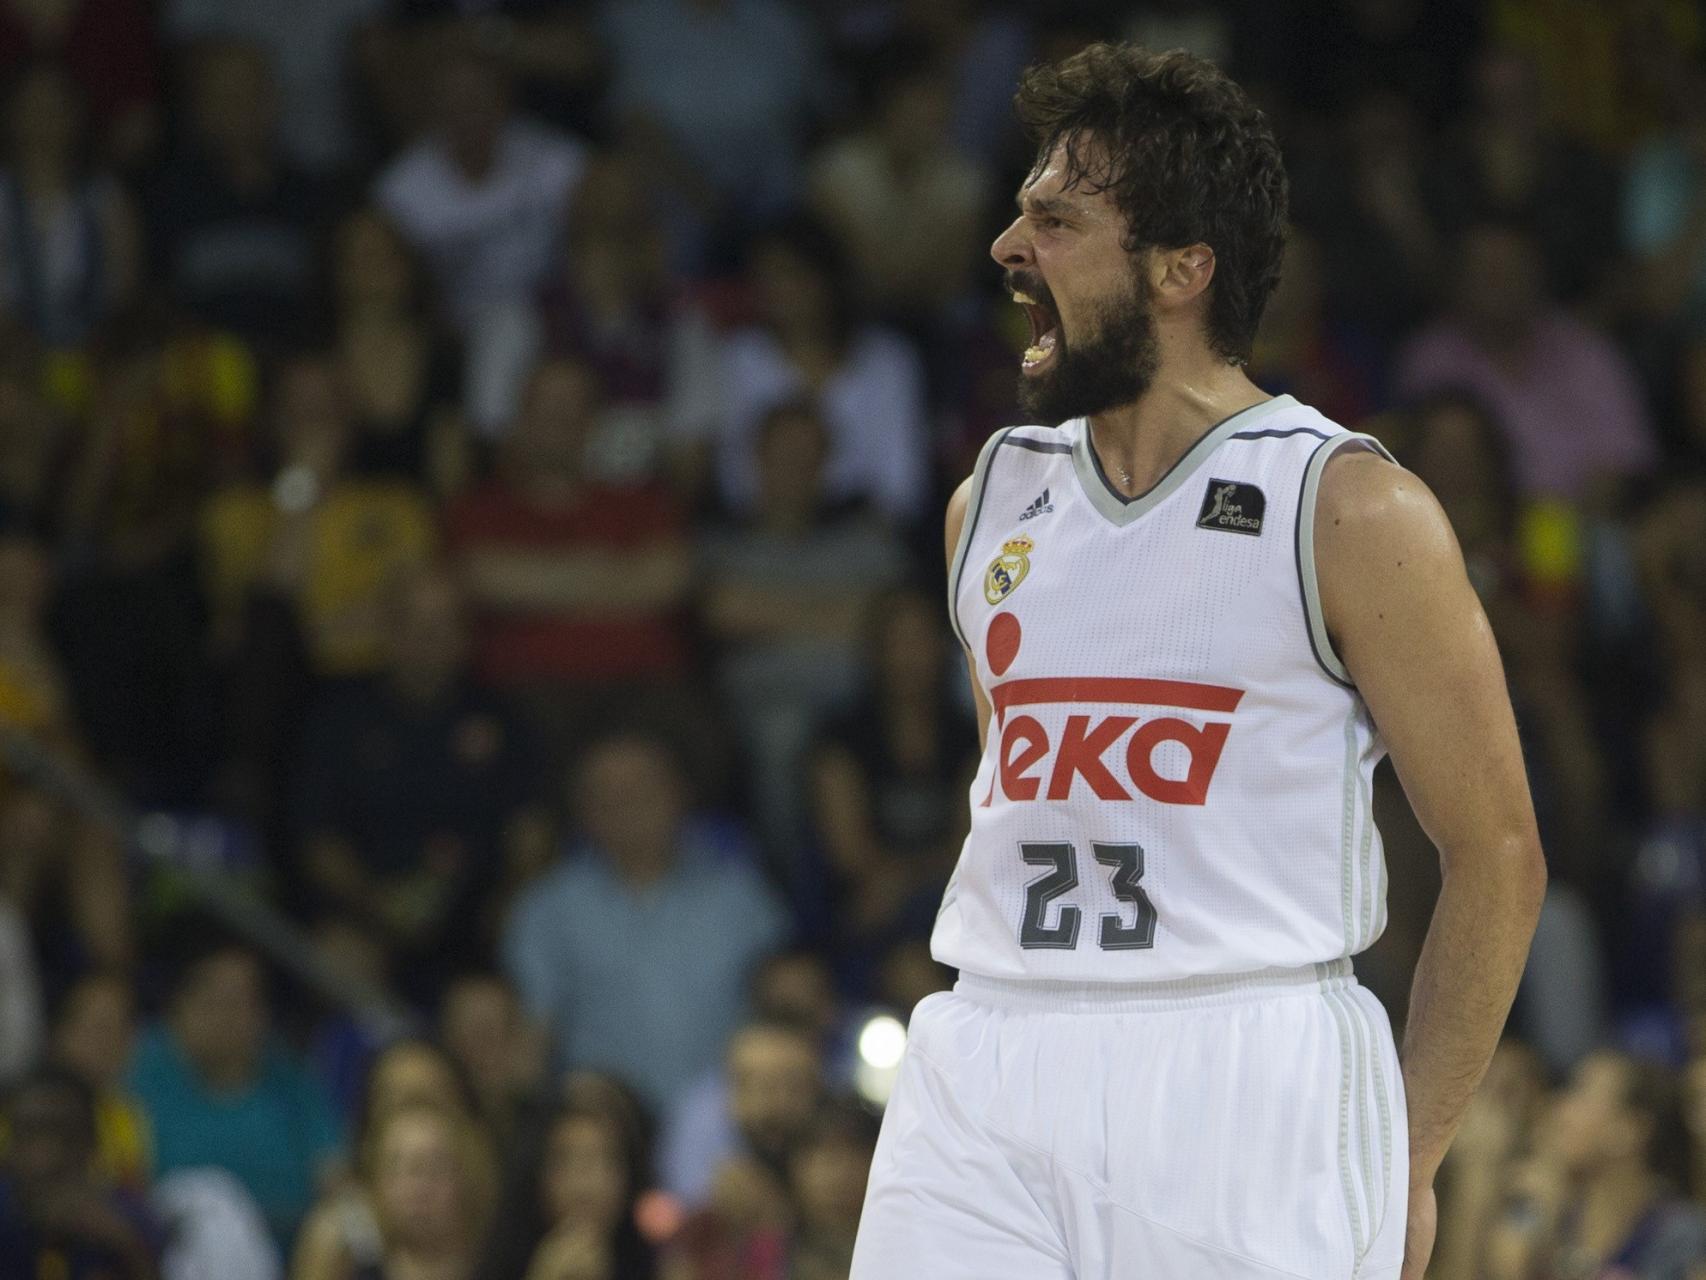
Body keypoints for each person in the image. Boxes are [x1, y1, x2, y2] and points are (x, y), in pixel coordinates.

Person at [849, 43, 1548, 1280]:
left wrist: (1410, 1149)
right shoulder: (989, 502)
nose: (1007, 247)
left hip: (1245, 1059)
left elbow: (1495, 852)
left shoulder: (1345, 506)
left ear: (1181, 267)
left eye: (1053, 219)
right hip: (989, 1048)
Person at [0, 1066, 162, 1280]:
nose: (43, 1156)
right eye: (27, 1134)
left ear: (91, 1143)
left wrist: (123, 1244)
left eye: (61, 1134)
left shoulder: (132, 1218)